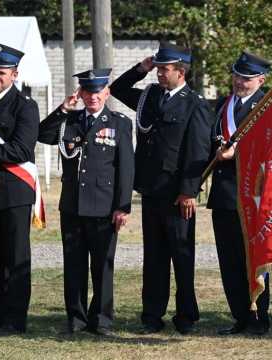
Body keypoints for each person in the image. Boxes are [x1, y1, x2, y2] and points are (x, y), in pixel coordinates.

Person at [110, 41, 213, 335]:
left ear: (181, 72)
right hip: (152, 189)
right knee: (153, 257)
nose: (159, 74)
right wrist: (140, 69)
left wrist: (189, 191)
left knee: (181, 255)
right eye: (157, 69)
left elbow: (198, 151)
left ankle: (186, 316)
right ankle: (152, 315)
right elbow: (117, 89)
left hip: (177, 193)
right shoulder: (151, 96)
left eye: (164, 70)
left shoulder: (195, 104)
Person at [38, 69, 134, 336]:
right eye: (87, 91)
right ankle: (76, 318)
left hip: (104, 207)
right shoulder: (70, 122)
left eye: (98, 91)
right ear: (80, 93)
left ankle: (102, 319)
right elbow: (41, 135)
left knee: (103, 265)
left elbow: (126, 168)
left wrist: (123, 206)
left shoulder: (119, 123)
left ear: (107, 92)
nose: (93, 97)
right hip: (73, 206)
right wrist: (62, 109)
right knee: (74, 264)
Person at [207, 51, 271, 336]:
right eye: (236, 76)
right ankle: (240, 316)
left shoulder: (267, 107)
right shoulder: (223, 105)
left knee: (255, 256)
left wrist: (238, 153)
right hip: (224, 194)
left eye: (246, 78)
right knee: (229, 258)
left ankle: (260, 316)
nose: (239, 82)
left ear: (261, 79)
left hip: (254, 196)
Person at [0, 44, 40, 334]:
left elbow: (21, 150)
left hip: (14, 191)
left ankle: (15, 319)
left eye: (1, 73)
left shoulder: (24, 106)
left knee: (16, 257)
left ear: (14, 74)